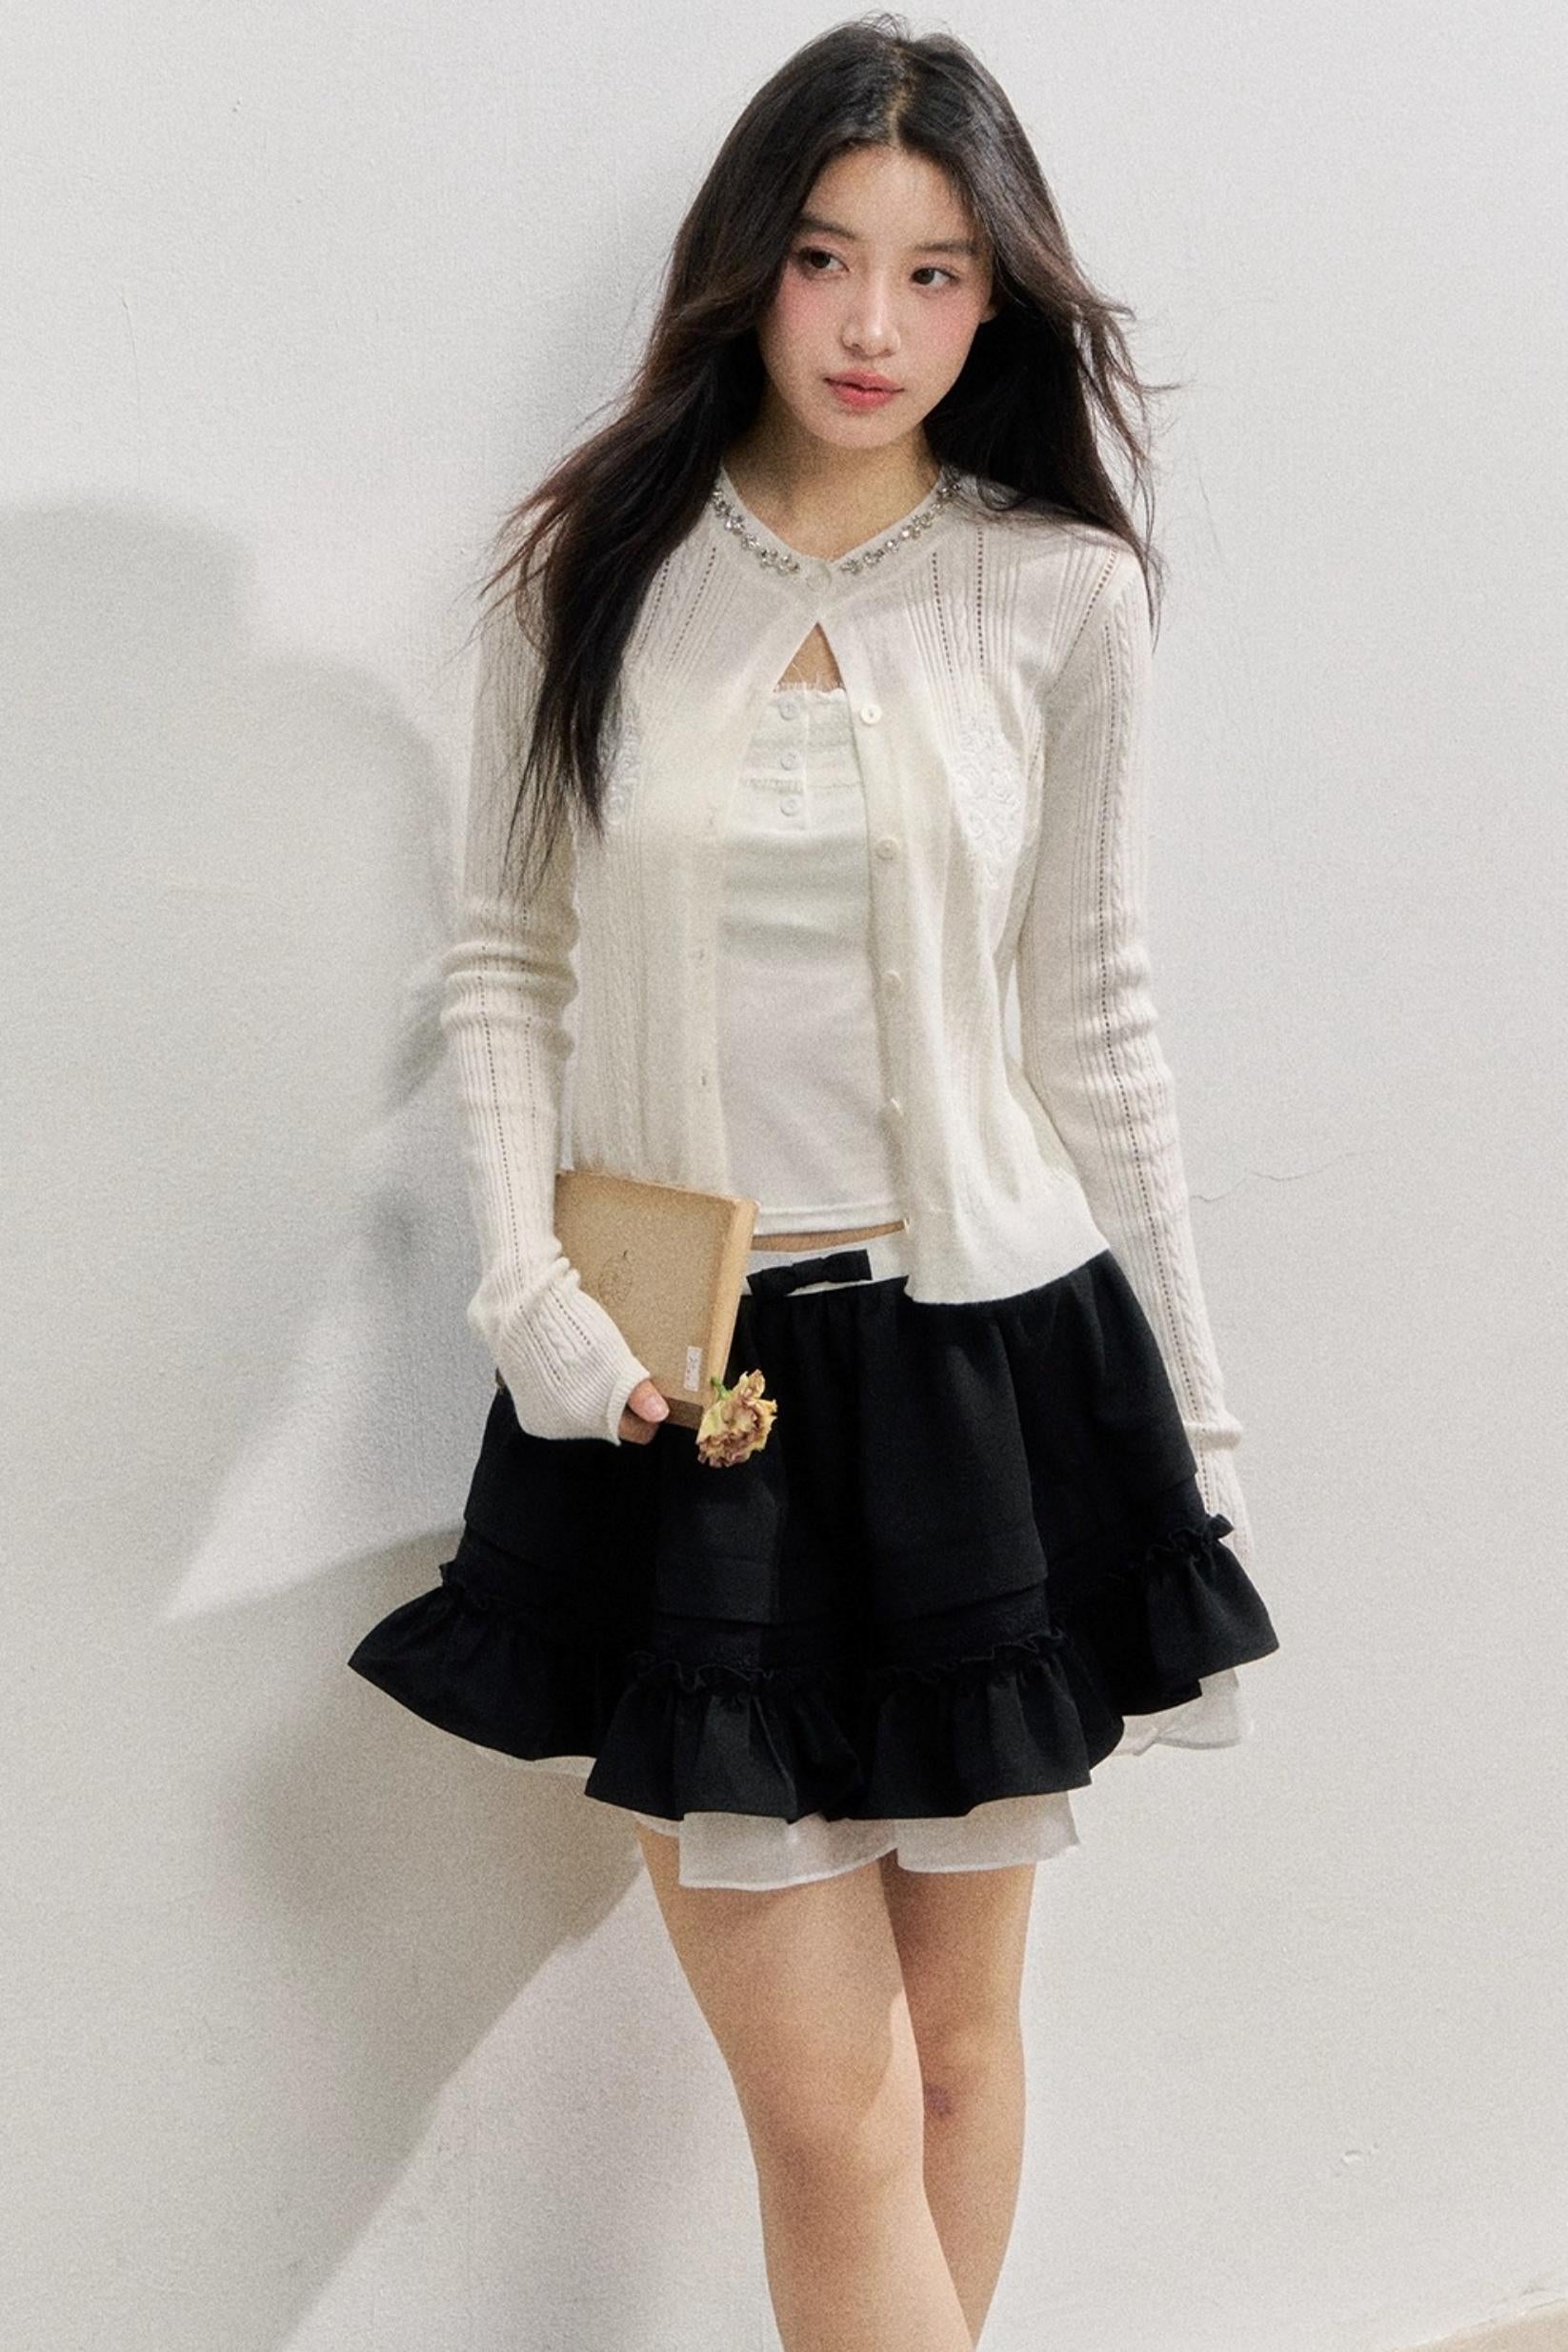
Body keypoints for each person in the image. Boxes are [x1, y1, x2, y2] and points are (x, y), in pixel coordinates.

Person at [349, 17, 1280, 2348]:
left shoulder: (1055, 592)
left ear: (998, 300)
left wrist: (1196, 1410)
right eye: (826, 258)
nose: (875, 325)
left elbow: (1096, 1017)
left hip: (992, 1368)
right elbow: (503, 964)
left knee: (954, 2057)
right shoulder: (591, 571)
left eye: (937, 273)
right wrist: (533, 1303)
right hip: (692, 1393)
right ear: (745, 266)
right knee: (828, 2113)